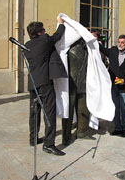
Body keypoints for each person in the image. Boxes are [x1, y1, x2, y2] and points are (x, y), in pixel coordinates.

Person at [25, 18, 66, 156]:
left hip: (33, 83)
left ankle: (33, 138)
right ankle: (49, 144)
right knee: (49, 113)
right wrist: (60, 22)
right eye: (43, 30)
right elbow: (58, 35)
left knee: (34, 112)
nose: (45, 31)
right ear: (39, 33)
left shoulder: (27, 45)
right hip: (44, 84)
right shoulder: (44, 40)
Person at [100, 35, 125, 137]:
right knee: (115, 108)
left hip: (124, 87)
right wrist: (95, 40)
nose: (120, 44)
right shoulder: (113, 51)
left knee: (124, 109)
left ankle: (124, 128)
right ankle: (117, 128)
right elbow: (101, 48)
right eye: (119, 42)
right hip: (113, 86)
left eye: (122, 43)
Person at [62, 38, 95, 146]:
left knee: (84, 109)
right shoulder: (68, 50)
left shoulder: (88, 50)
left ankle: (82, 132)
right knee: (68, 111)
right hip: (71, 85)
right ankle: (66, 136)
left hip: (84, 84)